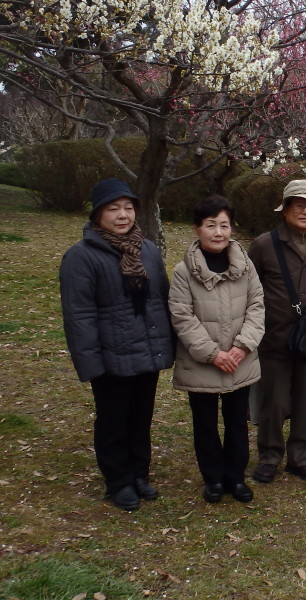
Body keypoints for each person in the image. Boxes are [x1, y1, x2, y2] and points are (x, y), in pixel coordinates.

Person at [59, 178, 174, 512]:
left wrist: (166, 346)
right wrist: (91, 363)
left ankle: (139, 473)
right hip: (111, 356)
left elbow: (161, 300)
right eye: (114, 208)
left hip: (147, 350)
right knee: (113, 421)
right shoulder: (81, 257)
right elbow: (78, 315)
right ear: (98, 214)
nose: (123, 215)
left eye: (128, 207)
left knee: (141, 418)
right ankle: (117, 480)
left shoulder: (148, 250)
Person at [169, 196, 264, 504]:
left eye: (224, 225)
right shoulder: (184, 272)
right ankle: (213, 478)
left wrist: (242, 346)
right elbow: (182, 317)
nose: (218, 232)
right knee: (205, 423)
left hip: (240, 360)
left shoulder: (245, 265)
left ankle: (236, 477)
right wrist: (213, 353)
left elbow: (257, 306)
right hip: (202, 362)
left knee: (237, 421)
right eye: (211, 225)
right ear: (198, 229)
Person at [246, 179, 306, 484]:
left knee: (305, 399)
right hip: (274, 337)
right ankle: (269, 457)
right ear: (285, 210)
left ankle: (301, 458)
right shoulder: (264, 244)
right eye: (299, 205)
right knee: (275, 401)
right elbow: (248, 288)